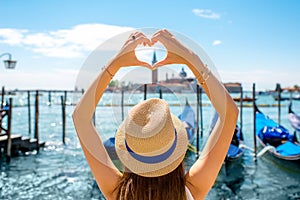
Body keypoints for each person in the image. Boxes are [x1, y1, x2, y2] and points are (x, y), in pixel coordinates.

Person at [72, 29, 238, 200]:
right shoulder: (192, 191)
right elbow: (230, 114)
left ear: (129, 153)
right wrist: (191, 59)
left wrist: (113, 65)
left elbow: (80, 118)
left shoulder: (117, 193)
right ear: (175, 146)